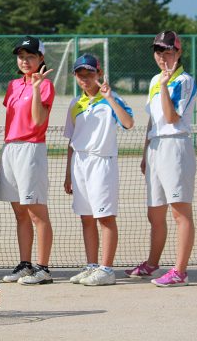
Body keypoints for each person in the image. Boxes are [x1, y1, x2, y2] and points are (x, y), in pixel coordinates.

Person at [125, 31, 197, 287]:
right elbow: (153, 120)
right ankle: (153, 264)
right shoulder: (156, 79)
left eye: (168, 51)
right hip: (156, 148)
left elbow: (170, 117)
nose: (163, 56)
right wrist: (146, 153)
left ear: (178, 52)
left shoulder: (184, 81)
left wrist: (167, 85)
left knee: (180, 212)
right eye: (158, 51)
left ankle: (180, 271)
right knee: (154, 213)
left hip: (176, 146)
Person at [64, 53, 134, 286]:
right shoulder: (75, 104)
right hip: (80, 164)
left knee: (105, 217)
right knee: (86, 218)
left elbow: (128, 123)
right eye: (80, 74)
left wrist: (110, 97)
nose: (85, 78)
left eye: (89, 73)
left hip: (102, 163)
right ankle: (92, 265)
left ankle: (107, 269)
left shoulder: (111, 99)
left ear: (99, 74)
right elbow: (71, 141)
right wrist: (68, 175)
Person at [0, 36, 55, 285]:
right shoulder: (12, 85)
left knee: (36, 212)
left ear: (41, 58)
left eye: (30, 56)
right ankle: (25, 264)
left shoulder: (45, 85)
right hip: (11, 147)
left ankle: (43, 268)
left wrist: (35, 87)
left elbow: (38, 119)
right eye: (21, 56)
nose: (25, 60)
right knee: (19, 212)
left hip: (31, 148)